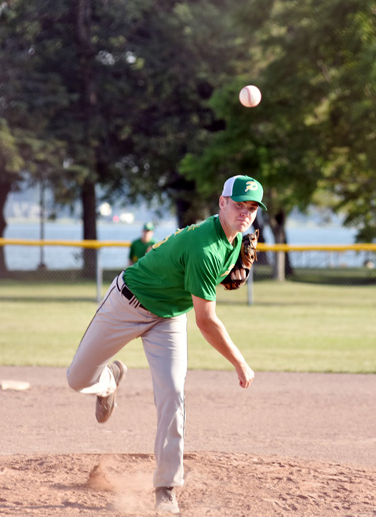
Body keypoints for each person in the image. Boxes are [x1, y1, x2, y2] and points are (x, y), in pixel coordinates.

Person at [66, 175, 265, 514]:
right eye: (238, 205)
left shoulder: (235, 241)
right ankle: (108, 383)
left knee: (173, 393)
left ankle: (166, 488)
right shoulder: (205, 247)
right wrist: (240, 362)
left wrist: (227, 270)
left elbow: (209, 282)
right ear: (221, 203)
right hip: (127, 303)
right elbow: (206, 321)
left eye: (251, 208)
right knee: (78, 379)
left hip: (169, 318)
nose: (244, 213)